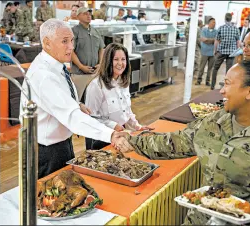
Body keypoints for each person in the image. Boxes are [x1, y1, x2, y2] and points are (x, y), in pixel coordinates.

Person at [114, 60, 250, 225]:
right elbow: (176, 142)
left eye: (227, 83)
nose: (222, 91)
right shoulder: (214, 122)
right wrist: (133, 141)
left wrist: (248, 219)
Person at [19, 19, 123, 179]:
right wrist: (110, 134)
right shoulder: (43, 75)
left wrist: (76, 104)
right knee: (50, 199)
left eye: (72, 40)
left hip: (62, 143)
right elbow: (72, 117)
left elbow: (60, 100)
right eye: (64, 41)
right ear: (47, 43)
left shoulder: (56, 65)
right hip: (47, 152)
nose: (71, 47)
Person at [84, 43, 153, 150]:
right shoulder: (96, 86)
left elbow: (127, 111)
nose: (120, 63)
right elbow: (90, 119)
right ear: (108, 61)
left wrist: (137, 126)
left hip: (121, 134)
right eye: (116, 59)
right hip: (101, 139)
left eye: (123, 59)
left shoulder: (123, 82)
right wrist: (113, 125)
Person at [71, 7, 105, 75]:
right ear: (78, 16)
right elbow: (70, 51)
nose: (88, 15)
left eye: (89, 14)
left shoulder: (95, 31)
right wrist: (81, 67)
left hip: (95, 72)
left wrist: (100, 64)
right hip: (79, 73)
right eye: (85, 14)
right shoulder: (74, 31)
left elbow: (101, 49)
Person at [211, 13, 240, 90]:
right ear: (231, 19)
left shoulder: (221, 28)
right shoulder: (235, 29)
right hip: (231, 53)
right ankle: (227, 87)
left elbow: (216, 41)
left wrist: (215, 50)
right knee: (228, 71)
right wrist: (237, 51)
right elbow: (238, 42)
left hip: (221, 52)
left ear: (225, 18)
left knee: (215, 68)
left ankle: (212, 85)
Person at [195, 17, 217, 86]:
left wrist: (208, 40)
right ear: (209, 23)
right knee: (201, 67)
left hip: (212, 52)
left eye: (215, 22)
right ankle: (199, 80)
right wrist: (212, 40)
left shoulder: (216, 31)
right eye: (213, 22)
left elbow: (216, 40)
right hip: (204, 51)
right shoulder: (204, 30)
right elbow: (203, 39)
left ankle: (207, 81)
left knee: (210, 68)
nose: (214, 24)